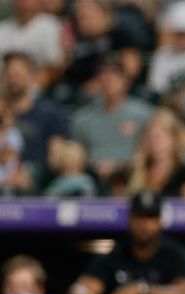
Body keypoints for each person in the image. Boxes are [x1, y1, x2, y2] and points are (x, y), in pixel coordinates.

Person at [69, 57, 153, 194]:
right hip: (91, 176)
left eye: (114, 79)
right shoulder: (83, 118)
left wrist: (120, 166)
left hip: (131, 175)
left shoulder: (143, 114)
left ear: (126, 83)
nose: (108, 84)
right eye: (104, 79)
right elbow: (77, 153)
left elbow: (148, 149)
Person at [1, 51, 68, 185]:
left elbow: (57, 157)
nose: (14, 79)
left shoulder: (49, 113)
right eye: (10, 74)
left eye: (18, 75)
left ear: (32, 77)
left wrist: (30, 173)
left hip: (37, 183)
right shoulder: (1, 114)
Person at [0, 0, 64, 89]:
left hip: (40, 94)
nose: (24, 2)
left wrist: (32, 90)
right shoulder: (2, 28)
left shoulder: (52, 26)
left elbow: (54, 67)